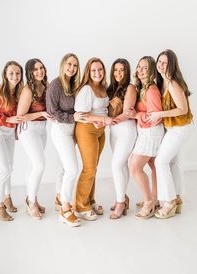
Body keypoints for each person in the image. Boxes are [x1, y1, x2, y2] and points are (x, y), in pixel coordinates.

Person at [146, 49, 193, 219]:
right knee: (173, 163)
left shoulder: (173, 83)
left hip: (180, 128)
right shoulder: (162, 82)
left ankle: (169, 201)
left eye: (165, 62)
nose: (161, 65)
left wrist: (159, 115)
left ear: (172, 64)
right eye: (159, 61)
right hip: (172, 128)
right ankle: (178, 198)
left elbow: (183, 109)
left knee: (160, 162)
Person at [0, 61, 24, 221]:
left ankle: (7, 198)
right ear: (5, 75)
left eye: (18, 73)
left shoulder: (20, 92)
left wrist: (14, 130)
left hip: (8, 133)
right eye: (11, 73)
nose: (15, 76)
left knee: (10, 167)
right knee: (3, 169)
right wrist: (8, 120)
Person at [125, 56, 164, 219]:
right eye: (139, 67)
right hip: (145, 131)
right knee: (153, 165)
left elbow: (156, 117)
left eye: (145, 68)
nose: (140, 70)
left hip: (151, 132)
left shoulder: (151, 90)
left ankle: (148, 202)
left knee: (134, 167)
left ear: (152, 71)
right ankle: (155, 199)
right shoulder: (142, 88)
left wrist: (136, 115)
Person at [73, 57, 112, 221]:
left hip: (100, 131)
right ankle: (80, 206)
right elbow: (81, 115)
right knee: (88, 168)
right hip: (87, 131)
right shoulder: (87, 90)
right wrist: (103, 120)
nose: (97, 73)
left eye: (100, 69)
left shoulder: (103, 88)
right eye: (94, 70)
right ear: (88, 72)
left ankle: (90, 200)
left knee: (93, 167)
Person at [46, 53, 82, 227]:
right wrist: (73, 117)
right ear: (63, 65)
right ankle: (65, 209)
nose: (72, 68)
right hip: (61, 131)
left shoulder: (75, 84)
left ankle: (60, 196)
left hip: (73, 130)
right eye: (69, 64)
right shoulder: (55, 85)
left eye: (75, 65)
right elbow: (53, 112)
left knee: (64, 167)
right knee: (72, 169)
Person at [17, 58, 52, 220]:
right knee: (39, 165)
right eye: (36, 69)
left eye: (41, 68)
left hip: (42, 129)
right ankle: (31, 203)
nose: (40, 71)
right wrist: (41, 114)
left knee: (33, 166)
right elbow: (20, 116)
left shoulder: (47, 85)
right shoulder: (28, 90)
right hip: (28, 129)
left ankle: (33, 199)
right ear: (30, 73)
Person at [107, 58, 137, 219]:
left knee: (116, 165)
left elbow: (126, 113)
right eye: (116, 69)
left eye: (122, 70)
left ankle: (120, 203)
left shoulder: (130, 88)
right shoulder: (111, 88)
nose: (118, 73)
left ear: (127, 72)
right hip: (114, 131)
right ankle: (123, 198)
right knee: (121, 165)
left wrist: (110, 121)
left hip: (126, 129)